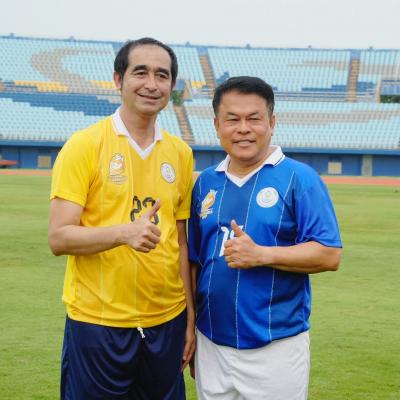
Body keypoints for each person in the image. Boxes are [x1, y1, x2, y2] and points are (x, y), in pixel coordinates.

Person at [48, 37, 195, 400]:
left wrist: (189, 317)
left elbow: (180, 242)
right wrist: (124, 234)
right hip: (99, 323)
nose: (151, 84)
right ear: (118, 79)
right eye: (140, 72)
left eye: (162, 75)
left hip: (166, 320)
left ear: (171, 86)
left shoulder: (180, 153)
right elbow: (59, 237)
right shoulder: (85, 145)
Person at [188, 76, 342, 400]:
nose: (243, 129)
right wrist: (191, 327)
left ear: (271, 123)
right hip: (211, 343)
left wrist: (262, 255)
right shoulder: (205, 183)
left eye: (254, 119)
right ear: (216, 125)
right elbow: (195, 262)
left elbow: (329, 254)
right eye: (232, 119)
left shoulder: (299, 178)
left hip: (275, 347)